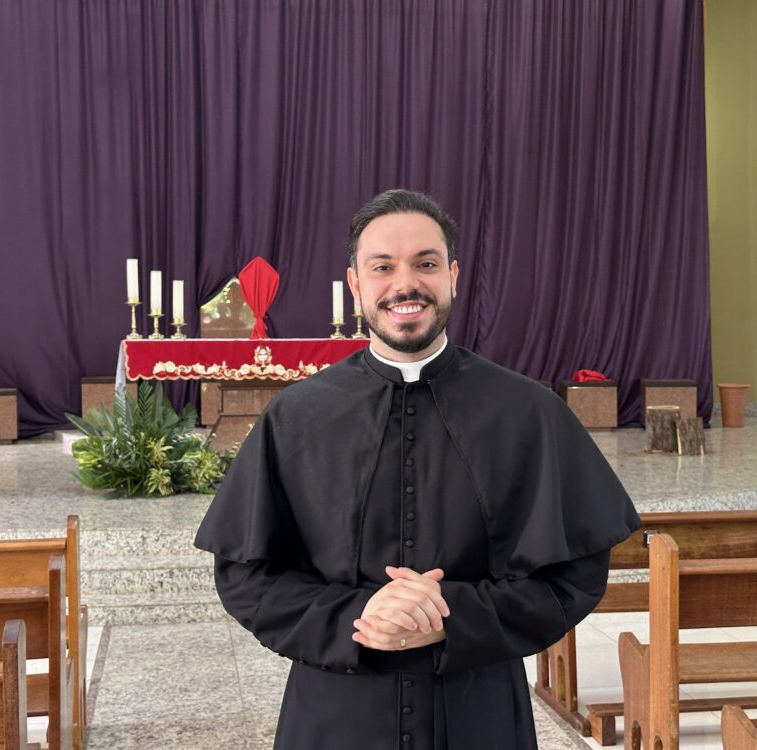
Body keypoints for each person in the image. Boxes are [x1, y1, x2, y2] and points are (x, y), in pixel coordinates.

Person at [194, 189, 641, 749]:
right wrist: (359, 616)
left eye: (426, 264)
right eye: (382, 267)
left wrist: (449, 616)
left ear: (453, 275)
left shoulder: (527, 412)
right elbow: (246, 579)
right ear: (356, 284)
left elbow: (572, 577)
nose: (406, 284)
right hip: (334, 719)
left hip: (480, 718)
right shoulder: (296, 416)